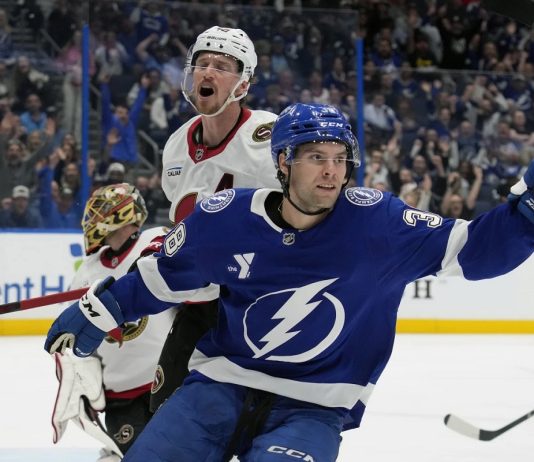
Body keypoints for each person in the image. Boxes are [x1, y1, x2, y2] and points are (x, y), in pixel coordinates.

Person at [44, 103, 534, 461]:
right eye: (315, 157)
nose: (331, 172)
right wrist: (99, 309)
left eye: (340, 158)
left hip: (315, 404)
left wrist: (527, 213)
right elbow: (161, 277)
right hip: (220, 384)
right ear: (282, 162)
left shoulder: (378, 225)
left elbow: (476, 249)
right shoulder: (227, 217)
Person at [151, 25, 279, 412]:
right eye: (202, 63)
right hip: (201, 306)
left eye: (222, 65)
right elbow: (183, 227)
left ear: (242, 83)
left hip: (260, 305)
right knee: (166, 414)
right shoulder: (176, 145)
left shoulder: (269, 137)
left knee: (255, 425)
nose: (207, 72)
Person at [50, 183, 175, 462]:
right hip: (120, 396)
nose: (93, 219)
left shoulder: (156, 242)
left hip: (169, 382)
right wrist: (78, 378)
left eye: (101, 211)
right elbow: (71, 338)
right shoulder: (88, 270)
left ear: (122, 213)